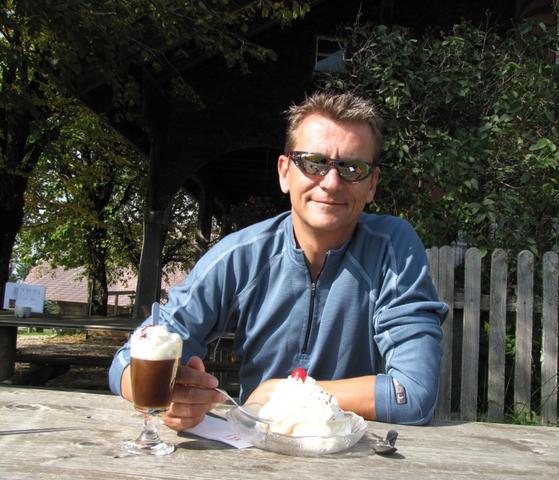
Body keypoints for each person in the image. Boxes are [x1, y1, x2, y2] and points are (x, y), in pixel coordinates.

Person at [109, 92, 448, 430]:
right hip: (256, 445)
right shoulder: (239, 256)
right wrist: (170, 397)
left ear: (372, 184)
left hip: (357, 450)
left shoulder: (393, 248)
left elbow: (413, 393)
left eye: (352, 168)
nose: (331, 183)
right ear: (285, 172)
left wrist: (282, 392)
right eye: (314, 163)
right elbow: (127, 362)